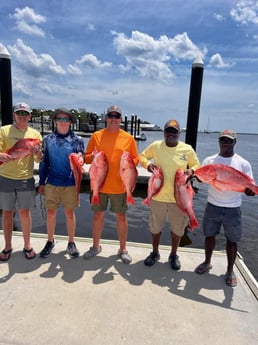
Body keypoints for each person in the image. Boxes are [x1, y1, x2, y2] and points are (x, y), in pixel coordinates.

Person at [194, 129, 255, 287]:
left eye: (228, 140)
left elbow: (249, 189)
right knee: (209, 236)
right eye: (222, 140)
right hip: (212, 205)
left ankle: (229, 271)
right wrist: (194, 176)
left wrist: (249, 191)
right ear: (219, 141)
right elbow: (200, 179)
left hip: (233, 208)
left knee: (232, 240)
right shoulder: (209, 161)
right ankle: (207, 262)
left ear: (235, 142)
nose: (225, 143)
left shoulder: (243, 163)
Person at [139, 120, 200, 270]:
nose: (171, 134)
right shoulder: (156, 146)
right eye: (168, 131)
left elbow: (197, 165)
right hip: (157, 197)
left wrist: (192, 171)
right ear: (164, 132)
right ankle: (155, 252)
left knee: (177, 230)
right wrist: (148, 165)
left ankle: (173, 254)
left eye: (174, 131)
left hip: (179, 199)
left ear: (179, 133)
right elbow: (141, 156)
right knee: (155, 228)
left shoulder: (187, 149)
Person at [83, 105, 138, 264]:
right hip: (98, 185)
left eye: (117, 116)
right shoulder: (96, 135)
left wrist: (127, 164)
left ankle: (123, 249)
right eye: (111, 116)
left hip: (120, 186)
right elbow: (87, 157)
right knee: (97, 215)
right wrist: (91, 157)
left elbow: (135, 159)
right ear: (106, 118)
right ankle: (95, 246)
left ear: (121, 119)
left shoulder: (129, 138)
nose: (114, 119)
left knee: (121, 216)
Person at [38, 108, 85, 258]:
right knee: (51, 212)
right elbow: (44, 162)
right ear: (55, 121)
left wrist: (81, 158)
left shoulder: (78, 140)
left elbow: (81, 160)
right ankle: (50, 241)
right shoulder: (47, 139)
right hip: (52, 182)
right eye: (60, 119)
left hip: (71, 183)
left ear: (70, 122)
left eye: (66, 119)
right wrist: (42, 182)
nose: (63, 122)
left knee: (69, 213)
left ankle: (71, 242)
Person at [0, 102, 42, 260]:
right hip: (5, 177)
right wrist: (2, 156)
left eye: (25, 114)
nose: (22, 116)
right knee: (7, 213)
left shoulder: (35, 135)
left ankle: (27, 244)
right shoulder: (4, 131)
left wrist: (38, 153)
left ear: (30, 116)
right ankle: (7, 246)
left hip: (26, 178)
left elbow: (39, 158)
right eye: (19, 113)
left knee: (25, 212)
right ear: (14, 115)